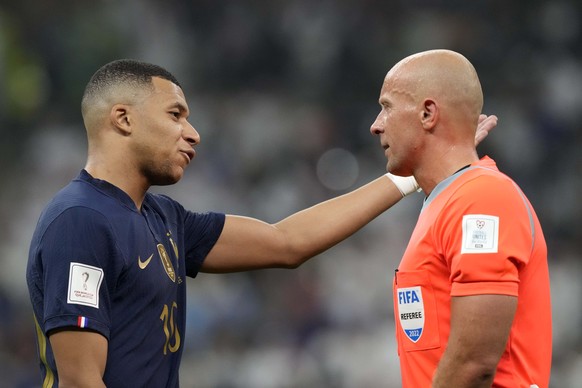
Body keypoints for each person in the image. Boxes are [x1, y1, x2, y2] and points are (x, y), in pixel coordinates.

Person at [26, 59, 496, 387]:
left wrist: (414, 173)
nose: (193, 133)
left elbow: (286, 242)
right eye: (175, 115)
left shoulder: (162, 219)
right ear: (123, 119)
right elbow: (82, 381)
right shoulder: (81, 222)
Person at [370, 49, 551, 388]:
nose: (376, 125)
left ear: (427, 113)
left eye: (387, 107)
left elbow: (474, 365)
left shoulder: (480, 198)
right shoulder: (446, 201)